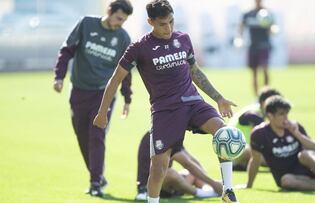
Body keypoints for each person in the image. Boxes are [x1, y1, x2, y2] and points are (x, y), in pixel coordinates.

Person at [93, 1, 240, 202]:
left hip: (193, 103)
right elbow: (115, 79)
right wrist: (102, 113)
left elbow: (195, 72)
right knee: (159, 168)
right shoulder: (139, 48)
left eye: (171, 21)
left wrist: (219, 98)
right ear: (150, 22)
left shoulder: (183, 39)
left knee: (224, 133)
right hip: (165, 111)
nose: (168, 28)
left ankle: (228, 190)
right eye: (163, 24)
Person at [53, 0, 133, 197]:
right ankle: (98, 176)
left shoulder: (123, 38)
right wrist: (59, 76)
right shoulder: (86, 24)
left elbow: (126, 71)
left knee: (96, 135)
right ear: (109, 11)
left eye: (123, 21)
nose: (119, 23)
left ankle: (95, 183)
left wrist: (127, 98)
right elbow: (67, 50)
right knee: (82, 136)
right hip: (79, 91)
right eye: (118, 18)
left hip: (103, 94)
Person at [246, 96, 315, 192]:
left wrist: (297, 133)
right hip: (290, 176)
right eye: (281, 114)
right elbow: (255, 160)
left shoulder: (294, 127)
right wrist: (248, 186)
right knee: (286, 181)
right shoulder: (259, 134)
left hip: (313, 168)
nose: (286, 118)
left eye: (286, 113)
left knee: (304, 155)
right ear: (270, 116)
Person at [135, 131, 223, 201]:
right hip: (151, 186)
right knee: (169, 173)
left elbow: (191, 159)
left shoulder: (171, 134)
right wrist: (214, 184)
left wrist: (210, 182)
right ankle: (203, 193)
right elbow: (186, 163)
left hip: (168, 187)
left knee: (193, 172)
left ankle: (207, 188)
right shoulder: (159, 135)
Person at [229, 87, 281, 171]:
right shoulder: (254, 113)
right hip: (235, 152)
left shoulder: (257, 111)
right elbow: (266, 138)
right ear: (264, 102)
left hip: (235, 152)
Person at [238, 0, 277, 95]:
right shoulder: (248, 14)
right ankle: (257, 97)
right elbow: (241, 27)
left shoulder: (267, 13)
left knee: (265, 69)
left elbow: (273, 27)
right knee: (254, 73)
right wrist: (239, 38)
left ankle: (267, 94)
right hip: (252, 46)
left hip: (264, 45)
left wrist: (272, 29)